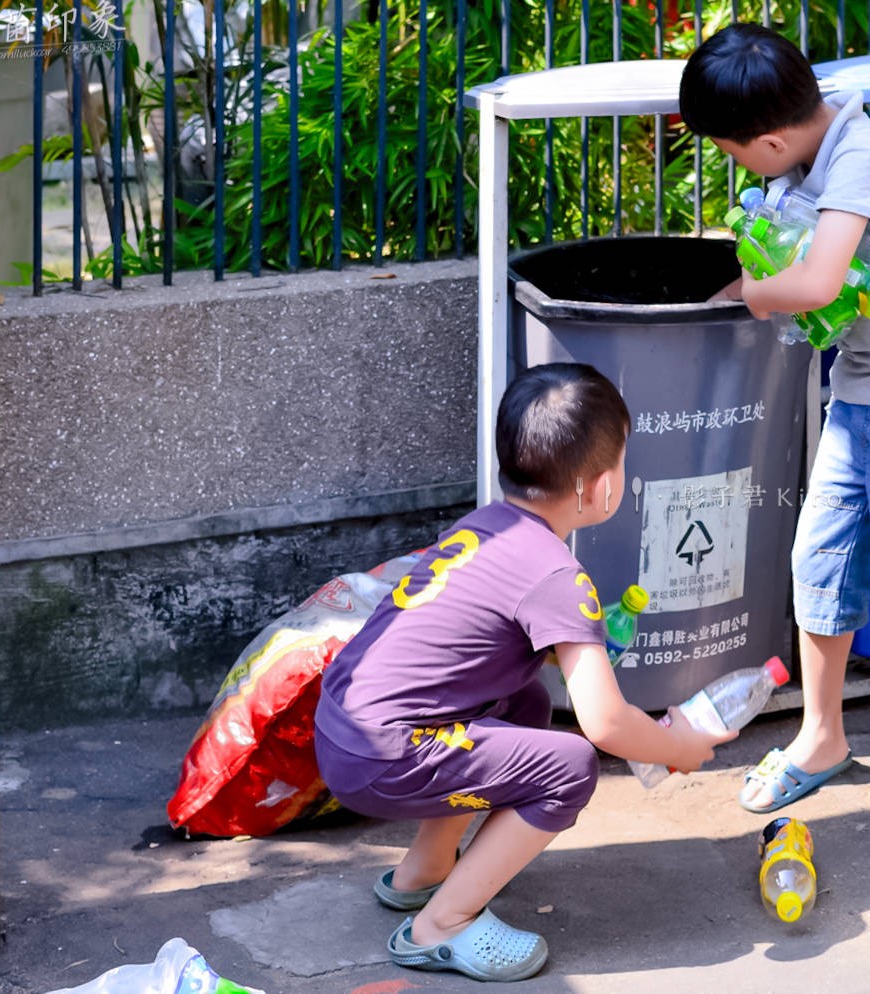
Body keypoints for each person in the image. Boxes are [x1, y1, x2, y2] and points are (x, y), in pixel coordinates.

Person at [680, 23, 870, 871]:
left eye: (735, 154)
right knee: (818, 566)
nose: (741, 169)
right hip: (862, 398)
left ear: (773, 139)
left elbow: (814, 285)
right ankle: (821, 738)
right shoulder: (803, 169)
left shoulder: (865, 158)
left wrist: (748, 297)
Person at [314, 362, 736, 982]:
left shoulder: (484, 526)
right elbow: (607, 724)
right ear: (598, 488)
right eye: (623, 460)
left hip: (344, 729)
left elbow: (477, 644)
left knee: (526, 706)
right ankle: (443, 925)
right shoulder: (558, 576)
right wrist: (675, 745)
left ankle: (425, 874)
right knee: (568, 768)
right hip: (386, 753)